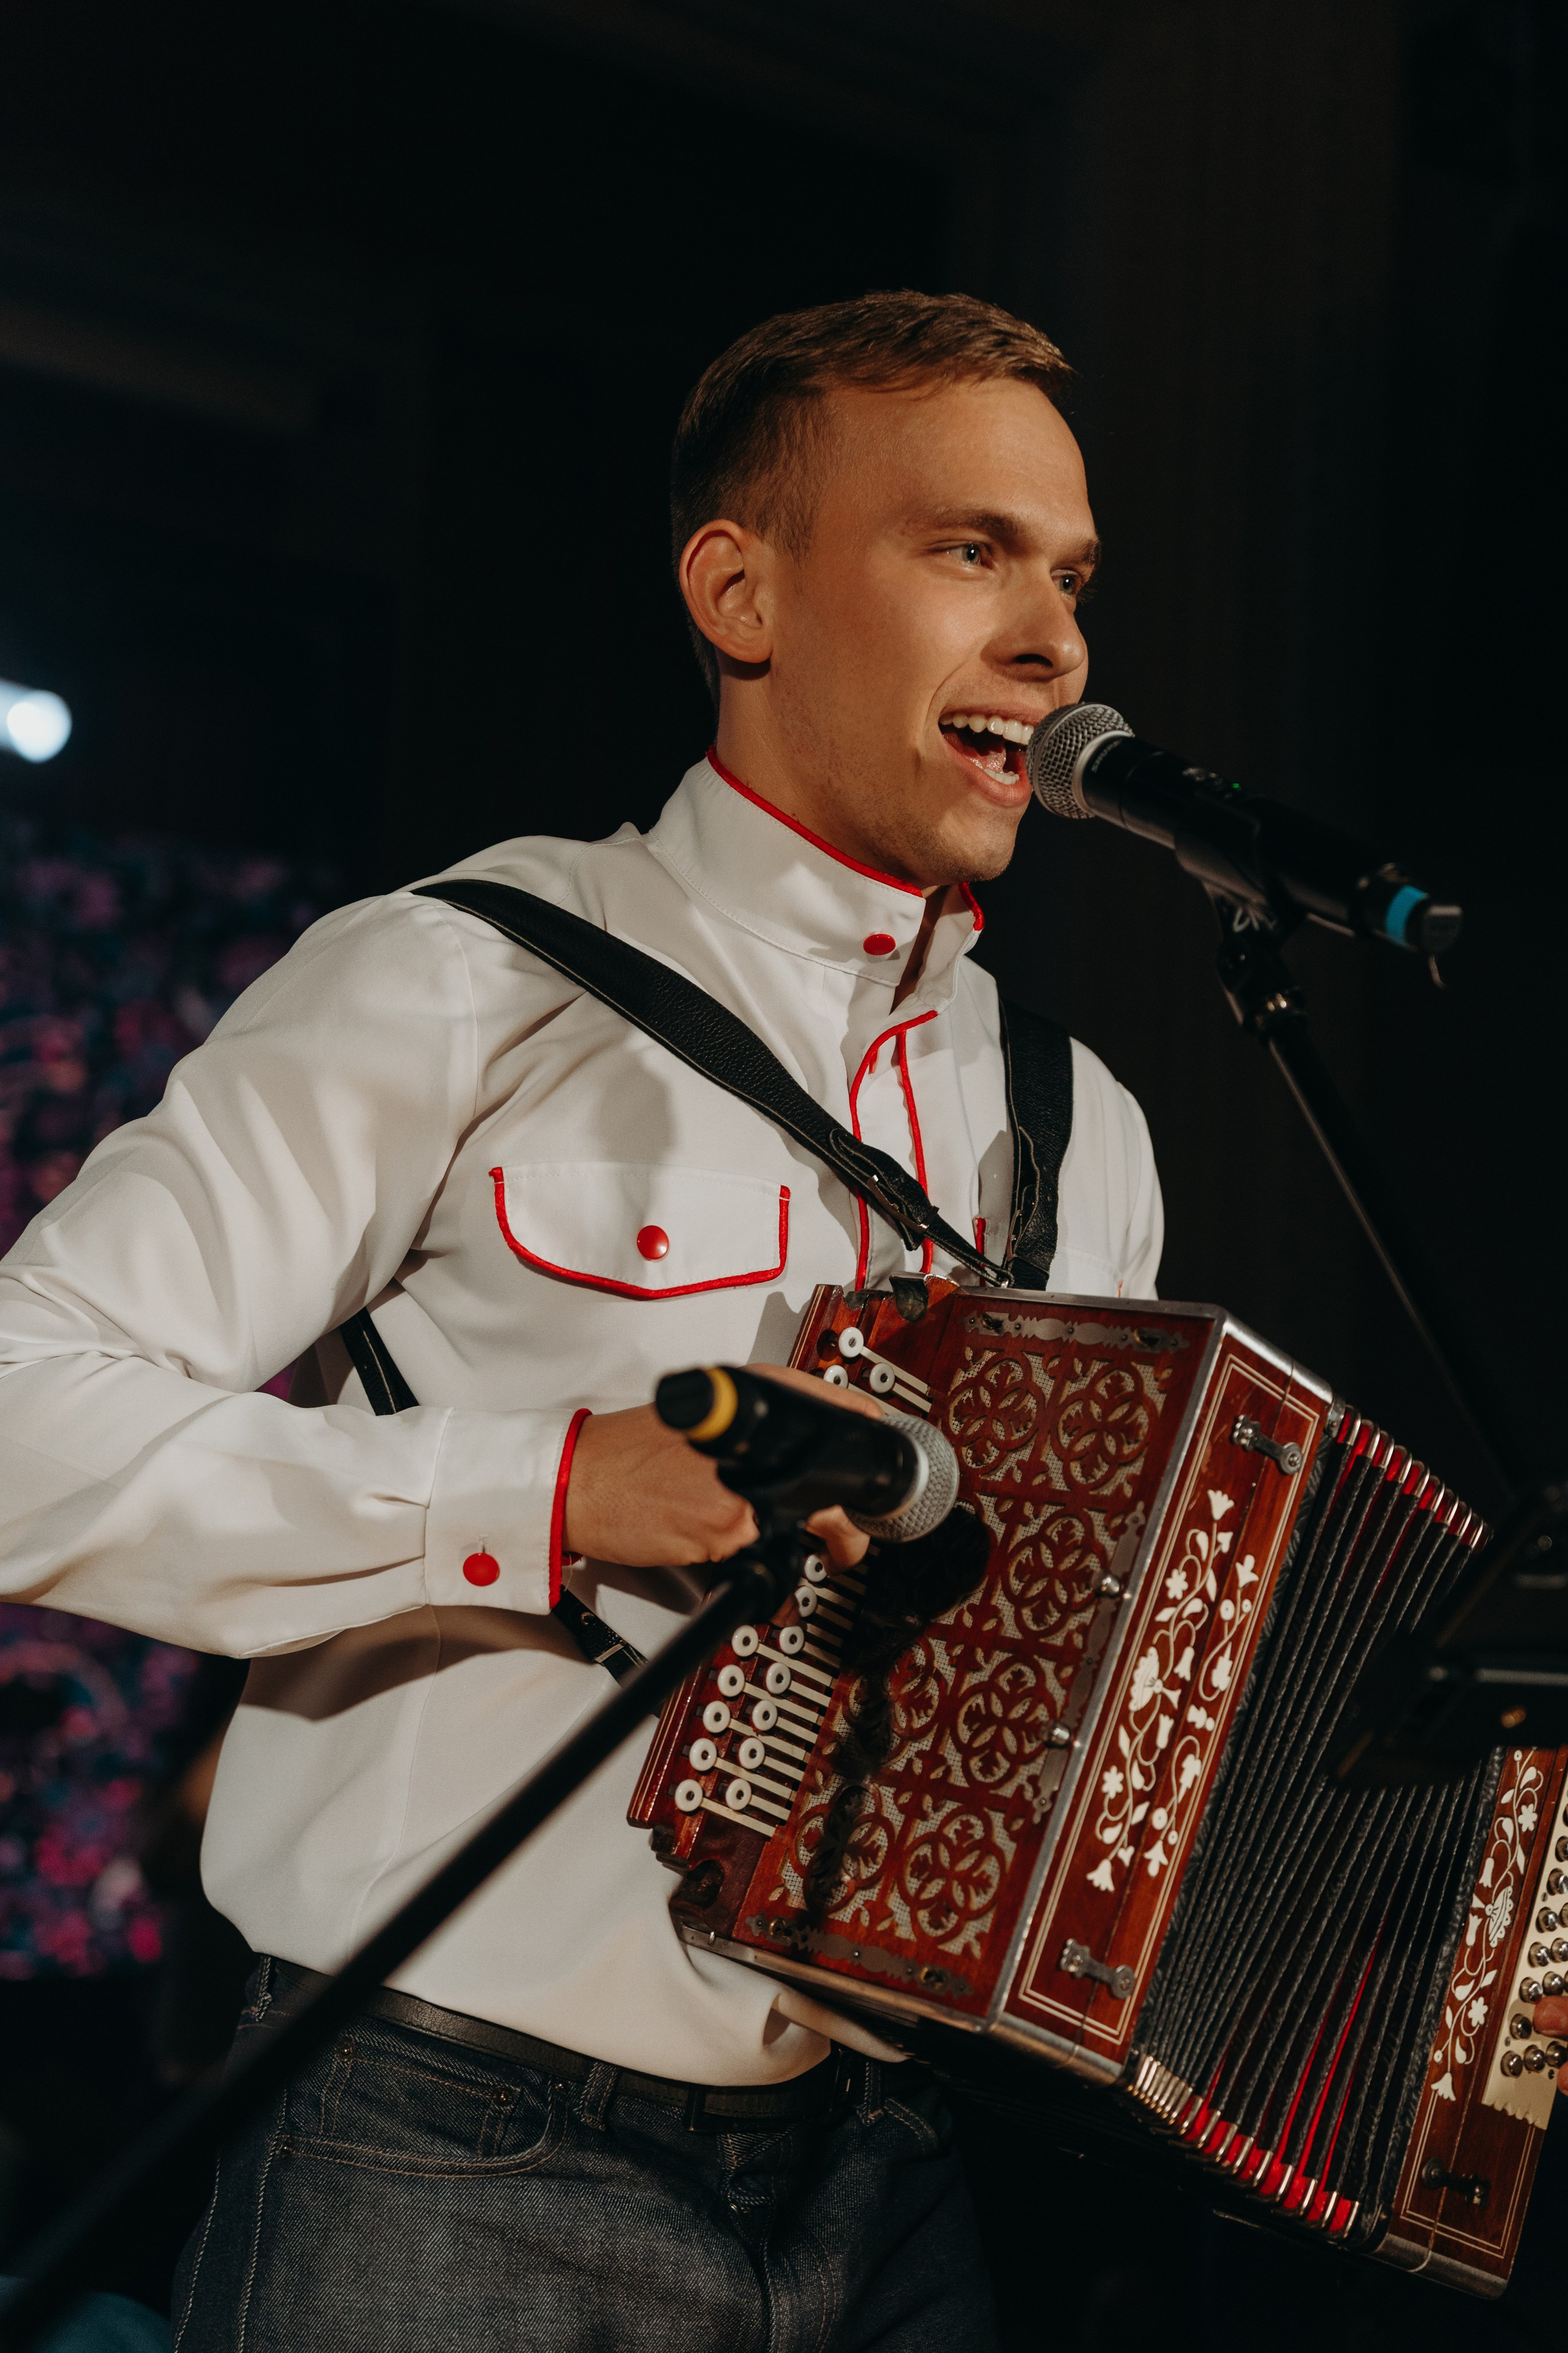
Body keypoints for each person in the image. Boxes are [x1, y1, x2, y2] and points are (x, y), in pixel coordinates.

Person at [0, 293, 1162, 2351]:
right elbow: (25, 1415)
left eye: (1070, 575)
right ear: (741, 592)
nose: (1054, 638)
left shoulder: (1084, 1129)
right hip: (441, 2146)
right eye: (971, 550)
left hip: (892, 2178)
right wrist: (538, 1495)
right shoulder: (470, 973)